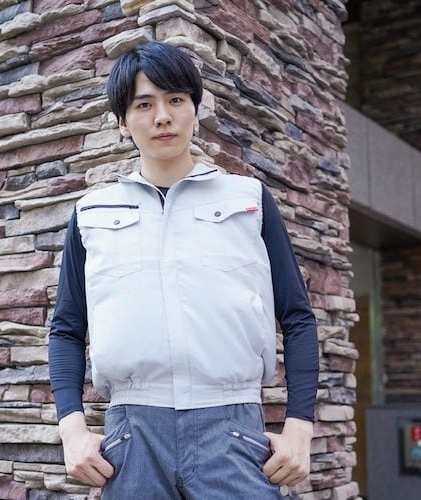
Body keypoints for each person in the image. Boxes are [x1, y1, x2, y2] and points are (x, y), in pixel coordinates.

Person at [49, 41, 319, 499]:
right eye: (144, 104)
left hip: (232, 428)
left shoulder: (248, 200)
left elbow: (297, 317)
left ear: (196, 109)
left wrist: (300, 428)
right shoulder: (92, 213)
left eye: (175, 99)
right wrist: (72, 431)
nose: (162, 117)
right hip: (133, 434)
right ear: (121, 121)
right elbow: (66, 329)